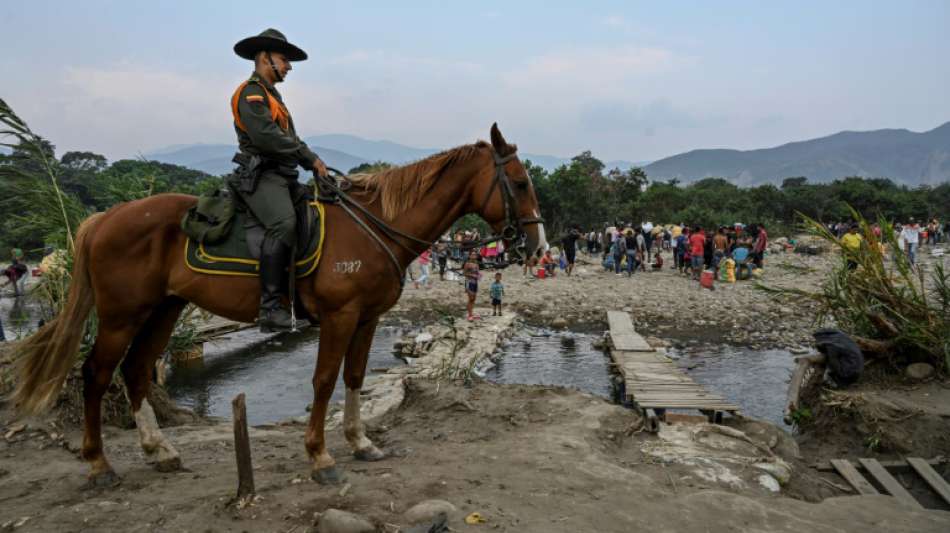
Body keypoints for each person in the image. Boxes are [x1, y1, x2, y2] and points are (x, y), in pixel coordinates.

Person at [229, 29, 328, 332]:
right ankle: (271, 307)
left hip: (283, 174)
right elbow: (268, 137)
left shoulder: (274, 97)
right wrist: (309, 159)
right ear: (264, 58)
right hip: (263, 175)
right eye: (284, 59)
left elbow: (291, 138)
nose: (289, 66)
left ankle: (303, 297)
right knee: (283, 223)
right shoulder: (251, 92)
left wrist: (310, 158)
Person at [463, 250, 481, 320]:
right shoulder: (467, 264)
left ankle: (472, 314)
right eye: (472, 255)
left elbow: (478, 273)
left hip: (475, 283)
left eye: (475, 255)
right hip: (469, 282)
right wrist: (473, 275)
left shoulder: (477, 264)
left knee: (474, 299)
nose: (474, 256)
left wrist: (479, 275)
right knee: (471, 299)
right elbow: (464, 273)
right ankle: (469, 315)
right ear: (469, 256)